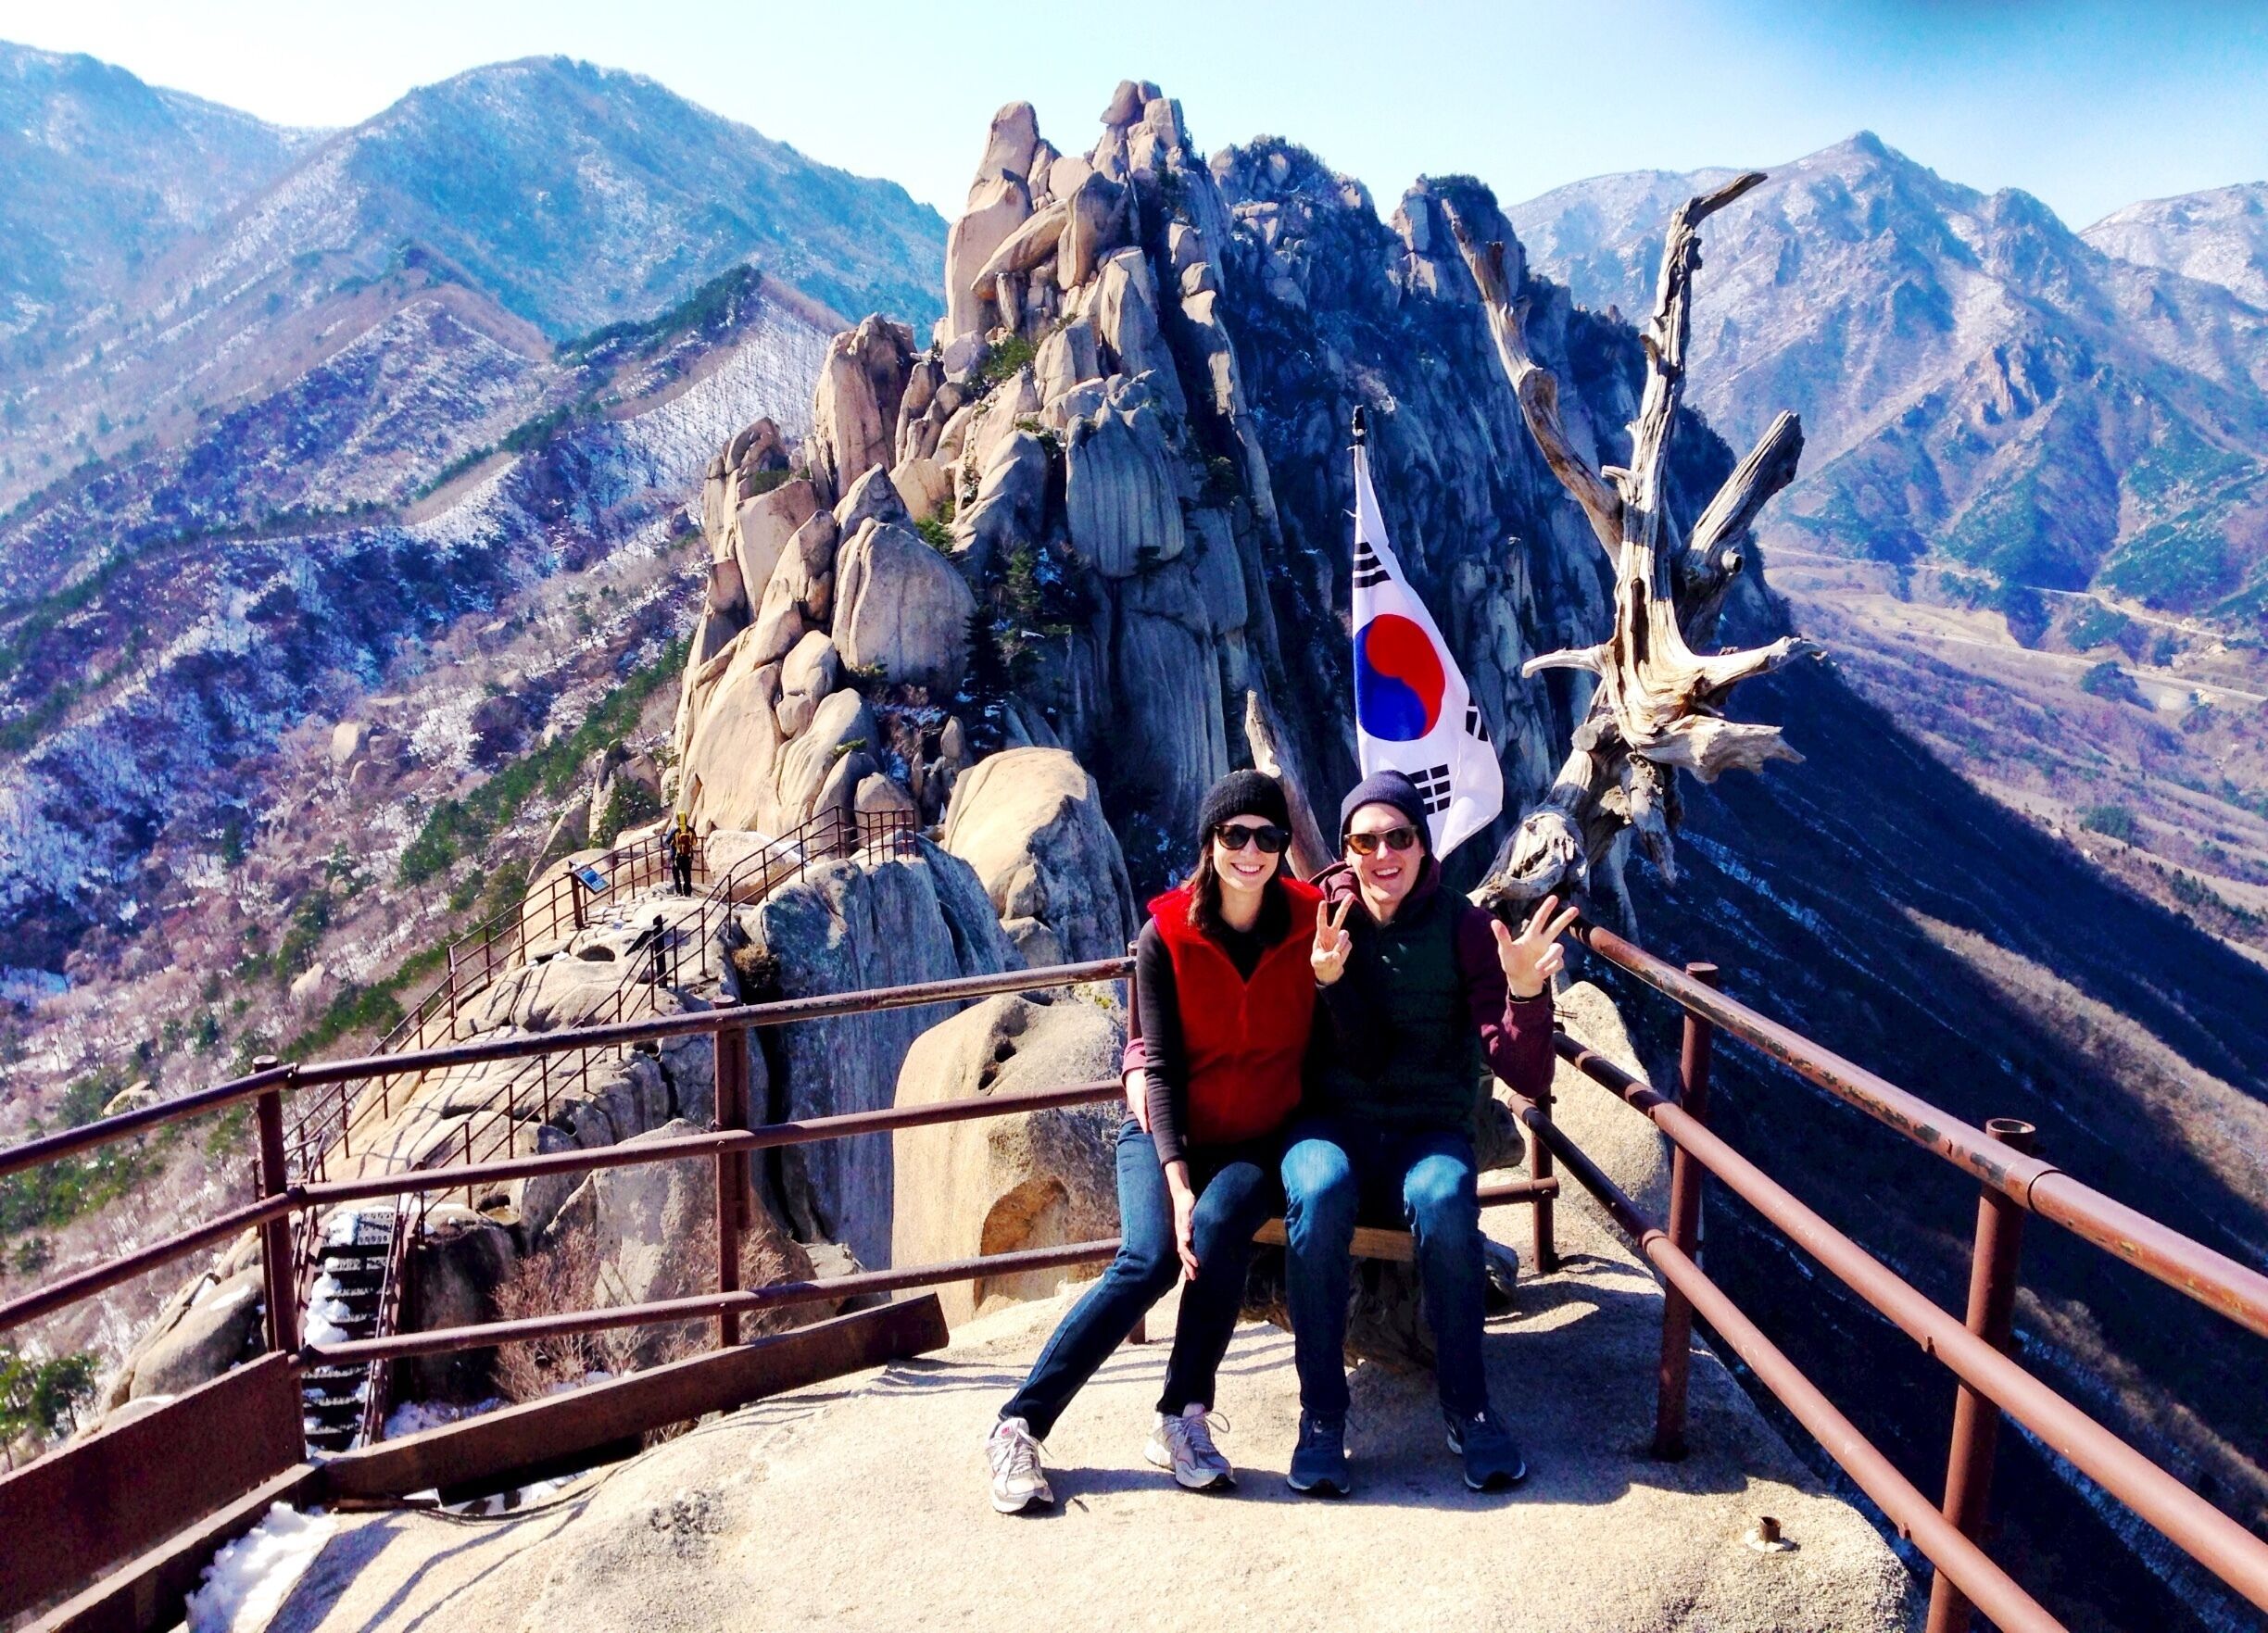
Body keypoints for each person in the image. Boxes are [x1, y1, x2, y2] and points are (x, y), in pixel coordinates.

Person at [988, 771, 1321, 1514]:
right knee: (1148, 1260)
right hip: (1166, 1130)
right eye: (1235, 835)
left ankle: (1182, 1415)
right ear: (1210, 844)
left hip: (1253, 1138)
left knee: (1222, 1222)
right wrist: (1175, 1183)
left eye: (1268, 837)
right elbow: (1158, 1065)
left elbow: (1368, 896)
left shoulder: (1308, 920)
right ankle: (1018, 1422)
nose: (1252, 851)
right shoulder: (1164, 935)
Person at [1281, 769, 1574, 1497]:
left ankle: (1468, 1406)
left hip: (1423, 1132)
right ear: (1346, 848)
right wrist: (1318, 978)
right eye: (1366, 839)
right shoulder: (1318, 920)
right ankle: (1321, 1416)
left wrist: (1527, 993)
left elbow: (1526, 1073)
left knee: (1446, 1203)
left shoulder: (1464, 927)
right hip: (1331, 1126)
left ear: (1422, 845)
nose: (1384, 853)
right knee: (1315, 1195)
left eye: (1399, 836)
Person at [670, 813, 697, 896]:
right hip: (687, 856)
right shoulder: (690, 830)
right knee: (687, 876)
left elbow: (667, 841)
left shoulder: (675, 831)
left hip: (677, 856)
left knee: (676, 875)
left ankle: (679, 892)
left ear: (678, 820)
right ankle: (687, 893)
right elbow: (695, 842)